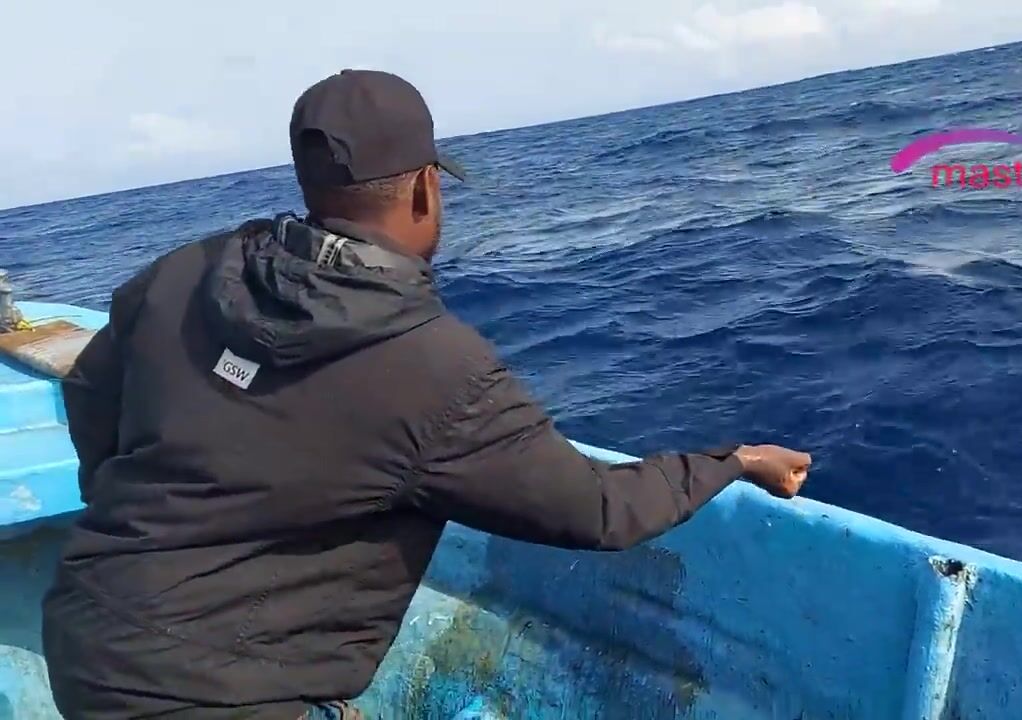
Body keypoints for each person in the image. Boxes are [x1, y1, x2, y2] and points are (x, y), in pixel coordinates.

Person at [41, 69, 813, 720]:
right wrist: (733, 461)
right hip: (214, 698)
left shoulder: (181, 273)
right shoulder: (435, 370)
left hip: (87, 634)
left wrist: (129, 504)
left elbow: (89, 388)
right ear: (424, 187)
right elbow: (600, 511)